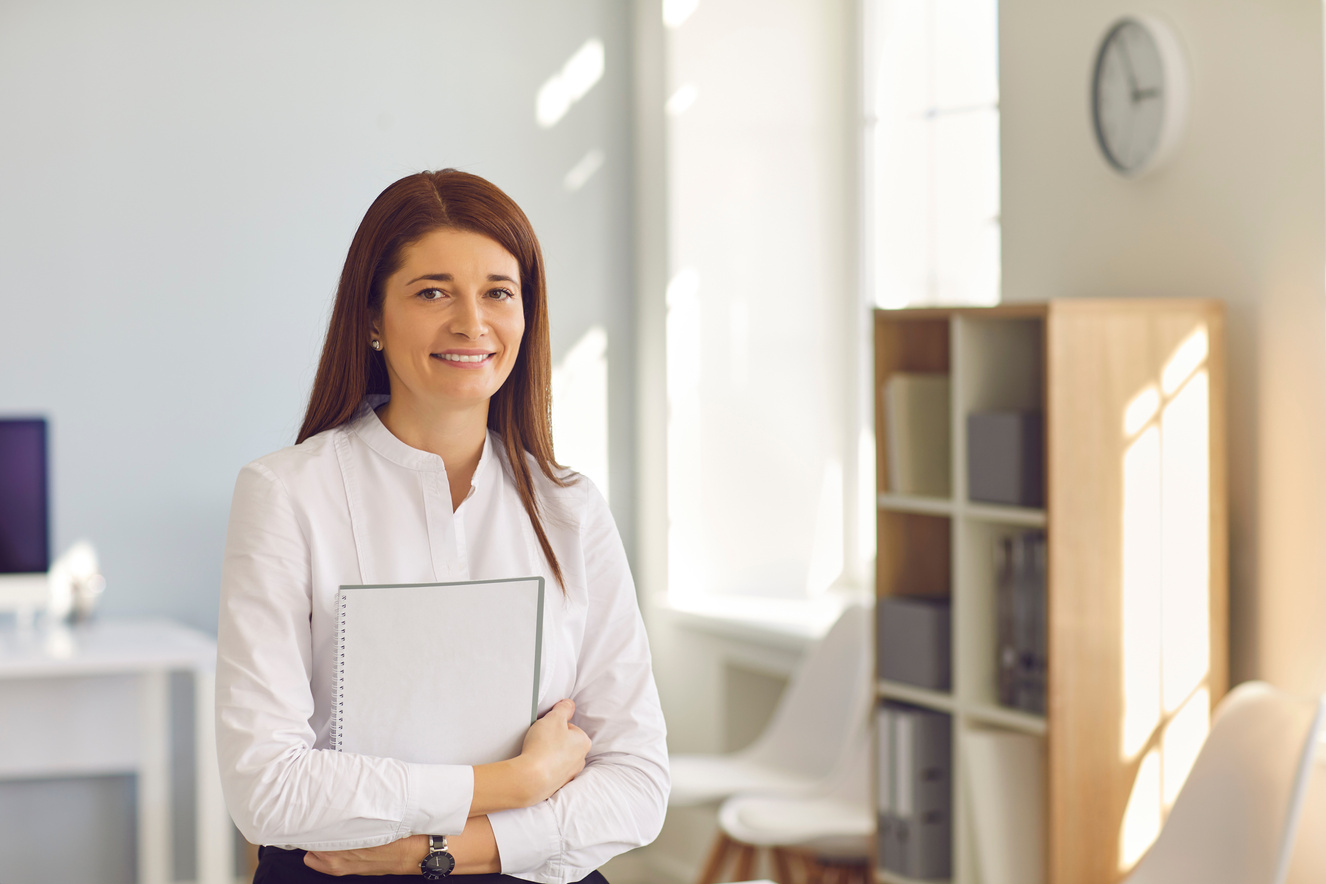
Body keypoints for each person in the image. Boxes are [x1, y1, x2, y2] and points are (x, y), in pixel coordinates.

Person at [215, 169, 669, 883]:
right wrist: (512, 785)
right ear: (371, 317)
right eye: (433, 292)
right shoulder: (285, 494)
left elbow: (638, 786)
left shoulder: (571, 508)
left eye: (498, 292)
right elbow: (267, 789)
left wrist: (439, 848)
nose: (471, 322)